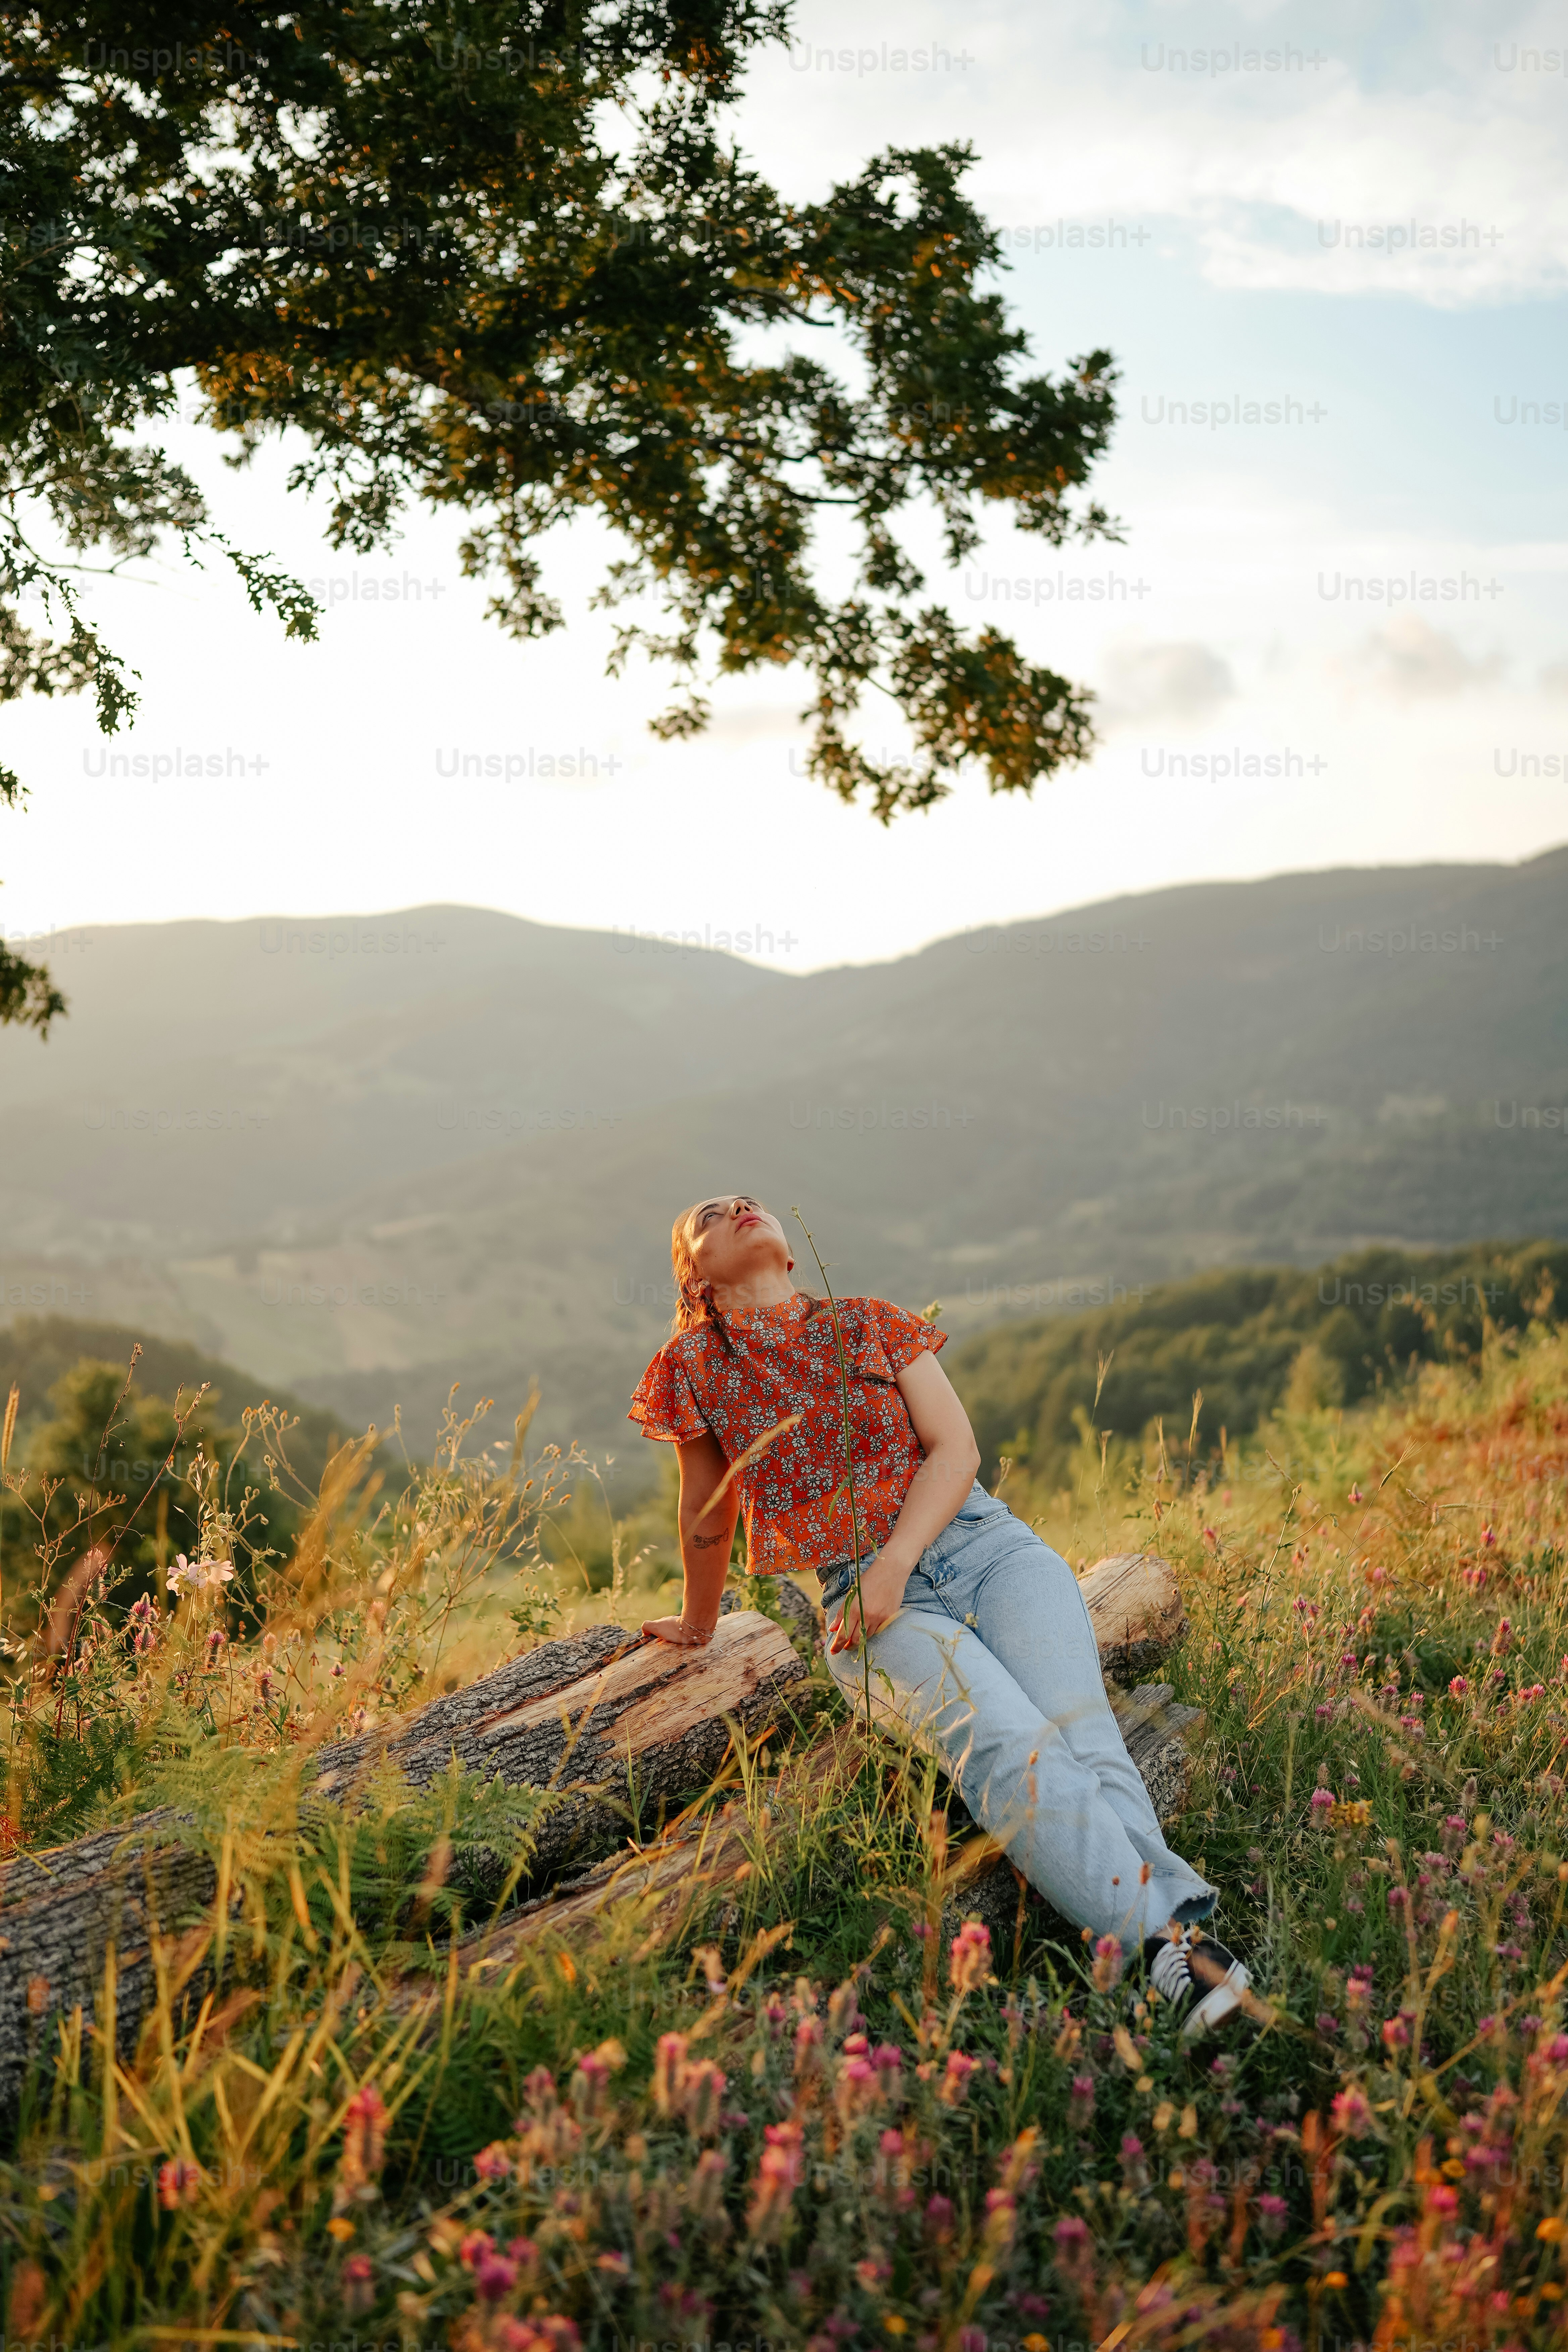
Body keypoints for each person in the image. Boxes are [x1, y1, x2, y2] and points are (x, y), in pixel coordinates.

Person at [627, 1193, 1251, 2036]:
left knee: (1081, 1731)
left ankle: (1168, 1957)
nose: (739, 1206)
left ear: (785, 1248)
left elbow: (956, 1449)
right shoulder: (692, 1365)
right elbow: (708, 1508)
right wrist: (700, 1626)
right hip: (869, 1610)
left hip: (991, 1552)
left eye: (749, 1201)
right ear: (693, 1275)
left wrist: (896, 1561)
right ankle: (1176, 1950)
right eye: (710, 1213)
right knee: (1008, 1746)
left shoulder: (869, 1322)